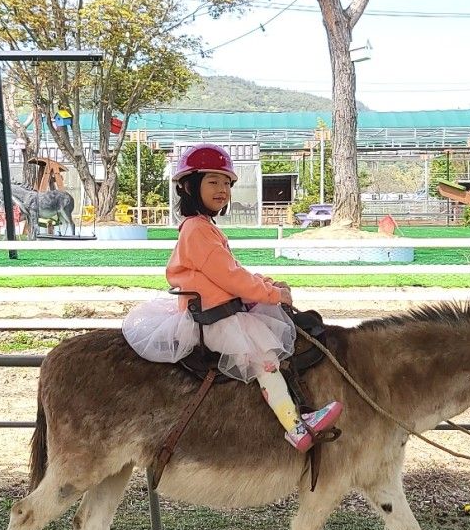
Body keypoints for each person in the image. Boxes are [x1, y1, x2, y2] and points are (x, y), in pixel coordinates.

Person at [122, 143, 342, 454]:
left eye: (227, 183)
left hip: (218, 310)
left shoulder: (202, 228)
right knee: (265, 359)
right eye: (213, 182)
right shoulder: (198, 231)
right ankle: (295, 426)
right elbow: (231, 279)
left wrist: (265, 283)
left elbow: (231, 271)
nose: (222, 190)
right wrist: (274, 293)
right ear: (188, 186)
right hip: (216, 319)